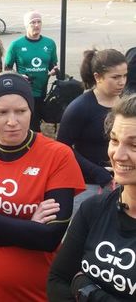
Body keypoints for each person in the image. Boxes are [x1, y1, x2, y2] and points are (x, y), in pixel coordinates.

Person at [0, 72, 85, 301]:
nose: (13, 121)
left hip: (34, 293)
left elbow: (49, 239)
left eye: (21, 111)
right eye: (1, 112)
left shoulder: (58, 155)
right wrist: (28, 228)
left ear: (31, 111)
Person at [47, 93, 136, 301]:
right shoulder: (94, 208)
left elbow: (71, 283)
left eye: (134, 145)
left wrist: (87, 290)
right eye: (114, 140)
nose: (118, 155)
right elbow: (57, 281)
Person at [57, 49, 127, 210]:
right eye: (115, 77)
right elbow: (62, 148)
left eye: (124, 75)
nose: (122, 82)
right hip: (89, 185)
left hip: (124, 181)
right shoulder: (80, 108)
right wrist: (97, 172)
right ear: (98, 77)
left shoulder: (127, 103)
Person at [5, 10, 59, 132]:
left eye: (39, 22)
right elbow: (7, 69)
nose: (36, 25)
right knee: (31, 124)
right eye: (32, 22)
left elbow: (52, 65)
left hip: (43, 91)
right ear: (26, 25)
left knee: (38, 120)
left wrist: (54, 71)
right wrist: (18, 76)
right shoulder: (16, 45)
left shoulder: (50, 43)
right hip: (25, 91)